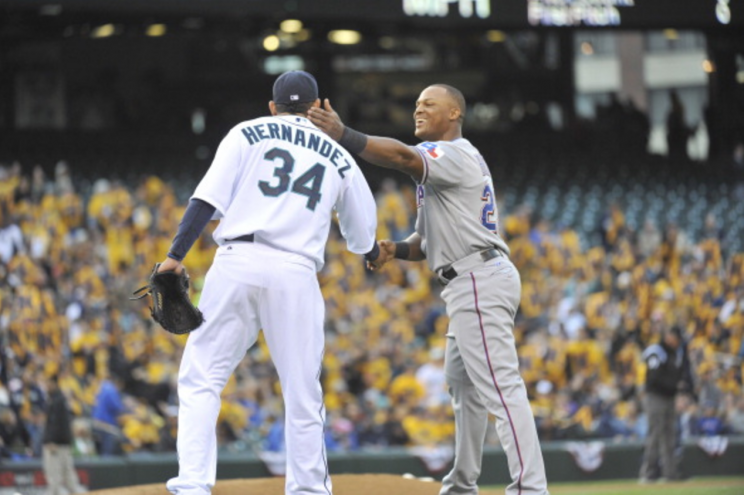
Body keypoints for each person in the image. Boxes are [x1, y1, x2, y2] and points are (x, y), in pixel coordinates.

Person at [308, 84, 548, 494]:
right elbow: (426, 243)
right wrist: (395, 249)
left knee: (501, 388)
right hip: (471, 278)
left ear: (454, 113)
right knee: (462, 383)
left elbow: (401, 156)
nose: (418, 110)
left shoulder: (453, 154)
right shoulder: (445, 165)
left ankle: (531, 488)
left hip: (477, 279)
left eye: (429, 104)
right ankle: (462, 484)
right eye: (416, 104)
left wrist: (344, 135)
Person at [159, 70, 379, 494]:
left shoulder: (247, 132)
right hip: (295, 273)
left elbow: (207, 199)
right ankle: (309, 489)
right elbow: (362, 235)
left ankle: (192, 485)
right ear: (319, 108)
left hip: (237, 261)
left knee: (201, 376)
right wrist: (371, 254)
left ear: (273, 107)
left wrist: (174, 256)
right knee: (301, 392)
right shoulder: (339, 153)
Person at [638, 326, 693, 483]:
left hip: (669, 397)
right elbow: (654, 378)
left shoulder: (677, 353)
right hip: (655, 397)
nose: (678, 342)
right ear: (669, 336)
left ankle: (670, 474)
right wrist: (676, 385)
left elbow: (685, 374)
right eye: (676, 338)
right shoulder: (657, 351)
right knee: (655, 433)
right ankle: (648, 473)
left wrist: (682, 390)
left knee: (669, 435)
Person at [42, 374, 85, 495]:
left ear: (54, 383)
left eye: (48, 383)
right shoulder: (61, 398)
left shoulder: (56, 400)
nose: (46, 386)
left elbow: (54, 423)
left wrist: (51, 440)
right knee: (68, 473)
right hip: (64, 441)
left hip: (56, 443)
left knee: (54, 475)